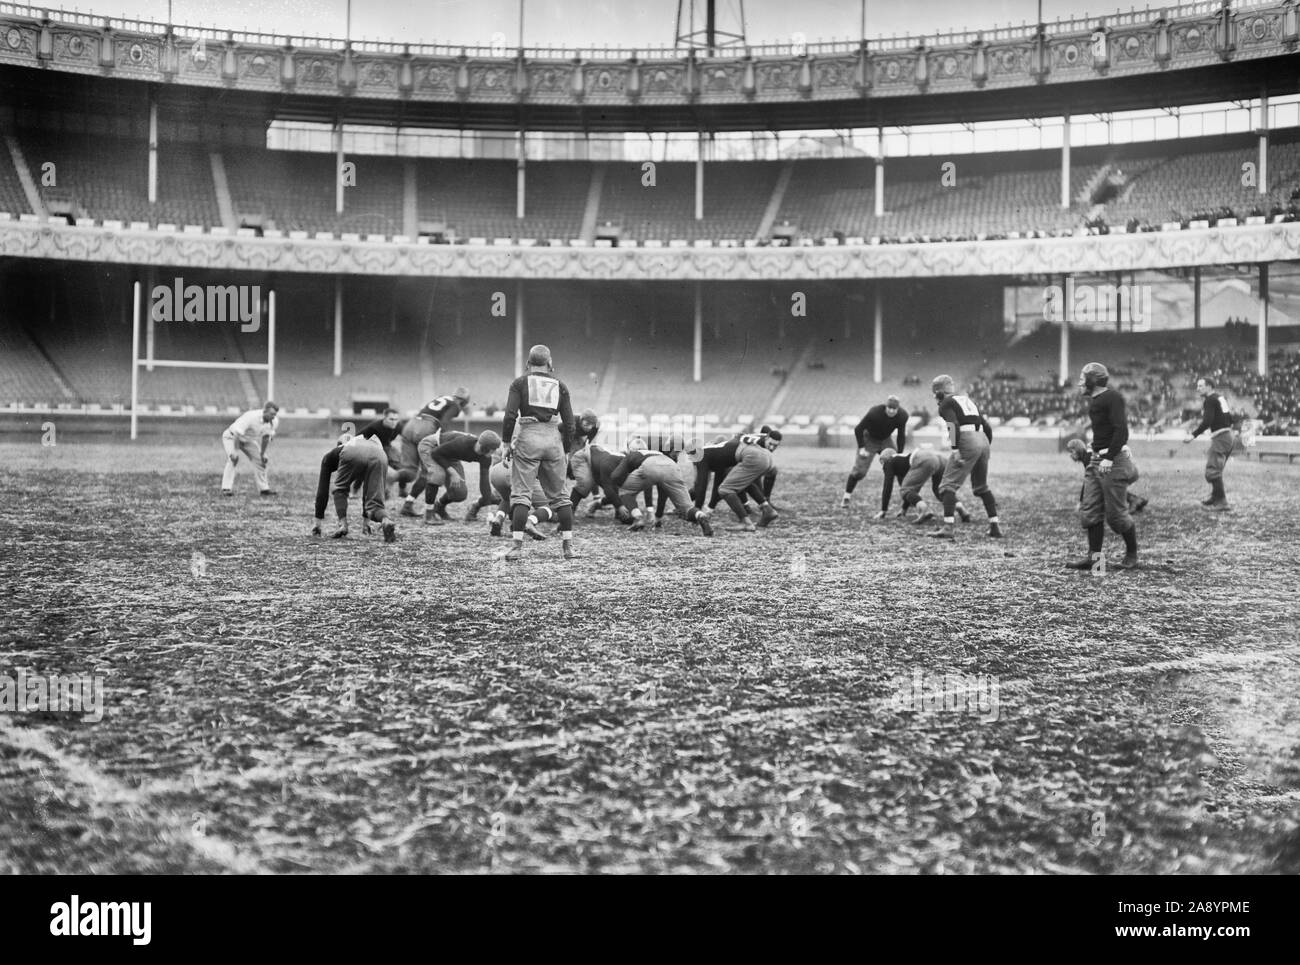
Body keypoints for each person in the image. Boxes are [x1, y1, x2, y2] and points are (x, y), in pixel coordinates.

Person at [500, 345, 576, 560]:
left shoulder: (519, 383)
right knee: (561, 495)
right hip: (553, 439)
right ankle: (568, 547)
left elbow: (510, 415)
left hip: (528, 437)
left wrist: (506, 442)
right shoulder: (561, 385)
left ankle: (516, 547)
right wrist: (567, 449)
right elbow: (570, 424)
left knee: (522, 493)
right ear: (550, 363)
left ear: (528, 363)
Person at [1066, 362, 1140, 570]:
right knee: (1090, 510)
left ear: (1093, 380)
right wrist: (1096, 447)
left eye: (1083, 378)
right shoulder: (1097, 400)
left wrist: (1110, 455)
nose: (1080, 382)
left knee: (1116, 515)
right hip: (1098, 459)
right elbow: (1106, 430)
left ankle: (1132, 553)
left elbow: (1121, 430)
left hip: (1112, 461)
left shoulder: (1112, 397)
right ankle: (1096, 560)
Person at [927, 376, 1002, 540]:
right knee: (981, 487)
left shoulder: (946, 404)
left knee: (947, 486)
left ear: (939, 392)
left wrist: (955, 449)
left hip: (968, 440)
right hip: (983, 439)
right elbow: (987, 426)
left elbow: (953, 425)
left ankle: (948, 527)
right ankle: (995, 526)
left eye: (935, 394)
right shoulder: (966, 400)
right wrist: (984, 447)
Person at [610, 437, 713, 535]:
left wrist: (623, 483)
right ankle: (700, 515)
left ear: (630, 449)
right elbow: (663, 492)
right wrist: (658, 516)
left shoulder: (632, 455)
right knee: (687, 507)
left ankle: (638, 518)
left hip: (649, 466)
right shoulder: (659, 453)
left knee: (625, 492)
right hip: (672, 467)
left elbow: (615, 477)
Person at [395, 388, 470, 516]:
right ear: (463, 402)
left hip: (411, 425)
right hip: (426, 428)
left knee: (409, 470)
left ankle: (401, 491)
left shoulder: (443, 398)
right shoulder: (455, 405)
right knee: (428, 472)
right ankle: (410, 505)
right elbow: (444, 423)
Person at [418, 429, 501, 524]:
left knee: (459, 493)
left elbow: (484, 482)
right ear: (484, 447)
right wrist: (453, 472)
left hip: (449, 455)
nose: (494, 452)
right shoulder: (462, 444)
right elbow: (436, 453)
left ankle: (439, 506)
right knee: (438, 475)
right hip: (432, 446)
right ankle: (428, 514)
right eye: (493, 449)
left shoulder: (485, 457)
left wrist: (488, 509)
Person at [842, 395, 908, 509]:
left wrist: (900, 453)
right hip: (869, 439)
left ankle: (907, 497)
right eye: (889, 408)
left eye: (894, 409)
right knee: (859, 471)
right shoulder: (875, 413)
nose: (891, 411)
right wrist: (862, 447)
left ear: (898, 409)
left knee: (899, 465)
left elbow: (901, 435)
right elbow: (858, 429)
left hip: (885, 440)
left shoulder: (902, 416)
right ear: (885, 407)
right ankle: (846, 496)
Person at [329, 433, 397, 542]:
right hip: (380, 455)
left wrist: (317, 524)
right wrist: (366, 523)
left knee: (340, 489)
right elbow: (367, 492)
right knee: (375, 504)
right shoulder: (369, 442)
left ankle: (343, 525)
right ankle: (385, 520)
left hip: (352, 454)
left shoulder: (345, 449)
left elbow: (331, 486)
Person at [875, 447, 969, 523]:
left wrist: (883, 510)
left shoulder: (889, 462)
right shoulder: (901, 460)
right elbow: (912, 489)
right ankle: (959, 506)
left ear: (884, 459)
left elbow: (888, 486)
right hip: (938, 458)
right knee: (940, 490)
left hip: (923, 458)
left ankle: (925, 510)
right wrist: (904, 509)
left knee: (905, 490)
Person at [1184, 376, 1234, 510]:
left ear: (1209, 386)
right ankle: (1215, 496)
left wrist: (1193, 435)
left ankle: (1222, 502)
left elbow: (1207, 421)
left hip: (1221, 437)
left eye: (1201, 386)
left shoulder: (1209, 400)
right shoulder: (1220, 397)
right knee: (1216, 469)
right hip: (1228, 436)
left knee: (1212, 471)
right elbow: (1230, 417)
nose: (1198, 388)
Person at [716, 429, 782, 531]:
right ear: (767, 438)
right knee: (742, 481)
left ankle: (749, 517)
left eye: (775, 446)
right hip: (754, 459)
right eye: (771, 444)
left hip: (756, 460)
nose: (772, 447)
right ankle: (764, 508)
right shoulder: (758, 442)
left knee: (727, 488)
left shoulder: (762, 441)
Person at [1066, 439, 1147, 514]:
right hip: (1119, 469)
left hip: (1121, 469)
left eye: (1071, 451)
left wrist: (1081, 502)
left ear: (1078, 450)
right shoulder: (1087, 456)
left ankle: (1134, 500)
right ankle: (1135, 500)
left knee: (1106, 487)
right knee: (1105, 487)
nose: (1070, 455)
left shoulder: (1087, 458)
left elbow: (1087, 482)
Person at [486, 447, 551, 540]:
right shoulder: (543, 443)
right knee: (548, 507)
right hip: (519, 473)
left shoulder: (517, 435)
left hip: (497, 471)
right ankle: (529, 522)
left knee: (508, 499)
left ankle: (498, 518)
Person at [221, 401, 279, 496]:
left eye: (275, 415)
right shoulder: (251, 417)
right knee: (234, 458)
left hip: (247, 440)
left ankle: (264, 489)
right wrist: (235, 451)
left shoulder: (274, 422)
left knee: (261, 460)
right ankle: (226, 488)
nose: (273, 417)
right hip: (231, 437)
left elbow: (265, 438)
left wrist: (262, 453)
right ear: (265, 411)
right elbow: (237, 433)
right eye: (271, 414)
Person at [569, 444, 632, 523]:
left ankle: (601, 506)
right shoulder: (609, 464)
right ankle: (568, 512)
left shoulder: (628, 463)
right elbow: (608, 489)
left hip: (598, 461)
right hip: (584, 457)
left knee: (620, 492)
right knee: (585, 484)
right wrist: (620, 506)